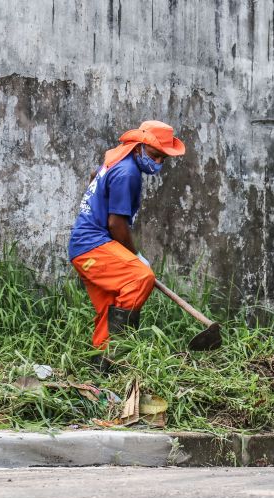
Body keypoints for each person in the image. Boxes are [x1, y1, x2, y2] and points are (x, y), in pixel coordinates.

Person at [68, 120, 186, 360]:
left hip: (84, 246)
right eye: (155, 155)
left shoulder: (117, 160)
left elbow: (94, 176)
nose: (159, 162)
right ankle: (120, 352)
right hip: (93, 246)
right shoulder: (128, 172)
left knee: (109, 308)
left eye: (164, 158)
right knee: (141, 277)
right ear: (140, 147)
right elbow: (116, 224)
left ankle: (102, 372)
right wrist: (136, 257)